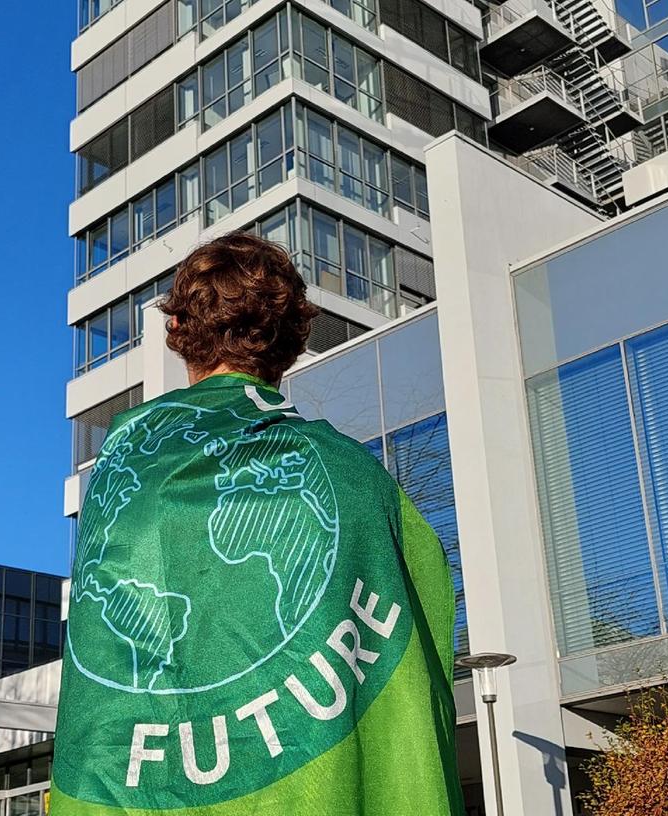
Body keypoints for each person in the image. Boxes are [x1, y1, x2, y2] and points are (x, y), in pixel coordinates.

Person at [51, 233, 462, 815]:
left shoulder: (122, 465)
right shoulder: (352, 477)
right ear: (293, 341)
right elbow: (408, 659)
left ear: (178, 334)